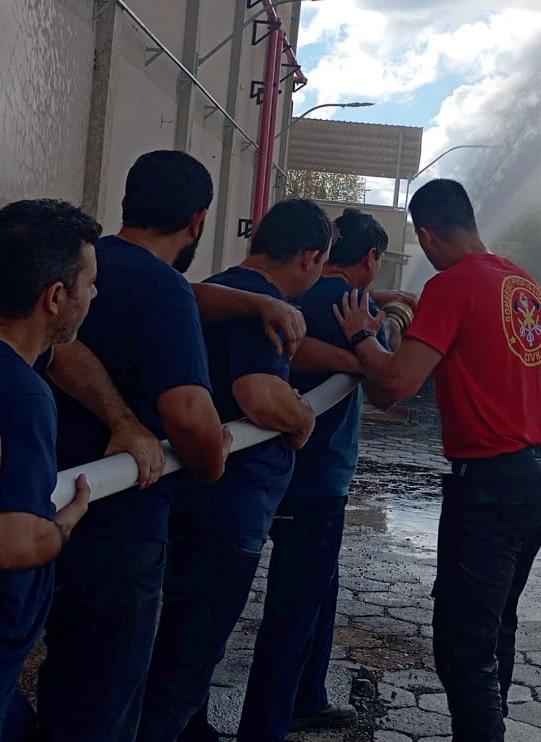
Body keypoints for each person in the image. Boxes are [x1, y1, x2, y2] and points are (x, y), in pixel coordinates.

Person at [37, 150, 307, 742]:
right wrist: (211, 460)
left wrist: (256, 301)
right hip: (121, 531)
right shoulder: (164, 292)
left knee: (63, 679)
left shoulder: (82, 269)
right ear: (198, 220)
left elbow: (168, 296)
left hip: (45, 512)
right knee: (104, 699)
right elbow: (189, 417)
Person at [333, 179, 541, 742]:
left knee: (462, 643)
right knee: (495, 623)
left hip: (489, 487)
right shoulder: (520, 283)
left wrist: (362, 336)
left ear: (425, 235)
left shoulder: (452, 285)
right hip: (531, 477)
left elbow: (394, 385)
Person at [136, 198, 334, 742]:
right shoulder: (264, 305)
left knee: (174, 644)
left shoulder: (217, 289)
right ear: (311, 258)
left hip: (184, 497)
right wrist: (301, 416)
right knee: (188, 660)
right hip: (229, 509)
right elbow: (260, 395)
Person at [237, 209, 415, 742]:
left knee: (314, 592)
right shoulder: (354, 310)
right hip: (318, 480)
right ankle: (271, 721)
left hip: (261, 470)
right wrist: (391, 318)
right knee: (296, 608)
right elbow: (386, 387)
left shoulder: (286, 294)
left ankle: (308, 693)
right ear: (371, 258)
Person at [0, 199, 101, 739]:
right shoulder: (23, 394)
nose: (94, 296)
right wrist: (64, 522)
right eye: (89, 283)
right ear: (56, 297)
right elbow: (15, 541)